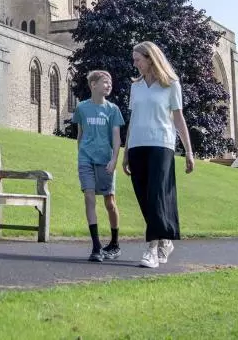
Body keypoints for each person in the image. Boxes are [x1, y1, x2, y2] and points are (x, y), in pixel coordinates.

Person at [122, 41, 195, 269]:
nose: (135, 64)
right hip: (137, 145)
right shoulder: (136, 86)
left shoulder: (171, 84)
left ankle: (151, 249)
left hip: (161, 144)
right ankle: (164, 240)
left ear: (150, 58)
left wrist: (189, 151)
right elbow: (133, 118)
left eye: (138, 60)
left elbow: (178, 119)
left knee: (156, 195)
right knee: (144, 197)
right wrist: (126, 151)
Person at [72, 70, 124, 262]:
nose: (109, 85)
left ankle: (115, 243)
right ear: (93, 85)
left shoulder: (113, 110)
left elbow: (116, 138)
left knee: (109, 202)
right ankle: (96, 246)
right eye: (105, 81)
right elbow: (80, 135)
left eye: (110, 82)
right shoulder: (82, 108)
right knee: (89, 197)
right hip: (86, 160)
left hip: (105, 161)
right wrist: (81, 156)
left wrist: (114, 160)